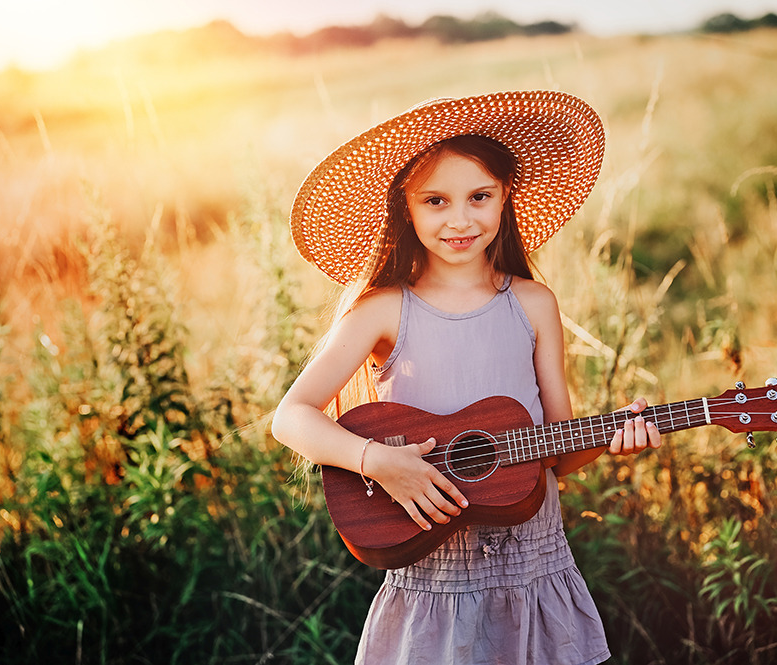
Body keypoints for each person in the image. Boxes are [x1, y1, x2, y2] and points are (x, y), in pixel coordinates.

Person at [271, 91, 662, 665]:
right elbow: (290, 416)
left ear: (507, 198)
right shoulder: (383, 310)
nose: (460, 219)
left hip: (532, 571)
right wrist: (375, 461)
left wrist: (612, 438)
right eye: (436, 201)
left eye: (479, 196)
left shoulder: (532, 305)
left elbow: (556, 451)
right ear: (405, 208)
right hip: (434, 580)